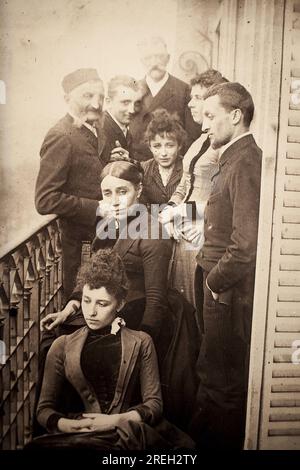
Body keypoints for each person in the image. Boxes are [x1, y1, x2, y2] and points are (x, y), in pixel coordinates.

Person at [40, 157, 199, 431]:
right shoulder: (108, 222)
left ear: (138, 189)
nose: (114, 200)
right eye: (107, 193)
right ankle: (66, 422)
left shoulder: (151, 229)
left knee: (83, 347)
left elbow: (156, 298)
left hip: (141, 312)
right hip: (107, 306)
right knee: (55, 337)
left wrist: (139, 339)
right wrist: (74, 304)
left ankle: (104, 421)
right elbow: (94, 273)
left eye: (122, 192)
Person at [27, 250, 194, 450]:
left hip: (124, 433)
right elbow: (44, 409)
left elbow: (154, 405)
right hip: (77, 435)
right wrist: (68, 425)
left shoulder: (141, 342)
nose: (91, 311)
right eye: (87, 301)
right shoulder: (62, 344)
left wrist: (114, 421)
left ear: (120, 304)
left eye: (102, 303)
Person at [190, 82, 262, 449]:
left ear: (235, 116)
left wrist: (215, 281)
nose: (203, 126)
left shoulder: (246, 162)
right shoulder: (232, 159)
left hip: (226, 292)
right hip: (217, 286)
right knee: (212, 373)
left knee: (221, 384)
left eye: (210, 116)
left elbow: (245, 245)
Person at [35, 68, 107, 301]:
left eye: (101, 97)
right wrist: (97, 207)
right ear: (68, 99)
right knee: (78, 306)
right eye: (88, 96)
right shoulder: (62, 135)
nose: (96, 104)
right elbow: (45, 199)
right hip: (79, 245)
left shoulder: (92, 130)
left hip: (99, 238)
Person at [159, 70, 228, 307]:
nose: (190, 103)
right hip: (183, 226)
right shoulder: (200, 139)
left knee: (194, 299)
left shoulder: (223, 144)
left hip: (201, 230)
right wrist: (169, 211)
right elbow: (186, 183)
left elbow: (223, 195)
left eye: (198, 97)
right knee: (178, 296)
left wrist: (192, 217)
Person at [129, 36, 201, 161]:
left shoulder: (184, 90)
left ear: (168, 59)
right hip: (137, 164)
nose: (154, 63)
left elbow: (192, 136)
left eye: (159, 57)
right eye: (148, 58)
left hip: (172, 165)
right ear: (141, 61)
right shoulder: (133, 90)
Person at [140, 109, 185, 206]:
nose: (163, 153)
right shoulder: (144, 169)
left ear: (179, 145)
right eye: (157, 146)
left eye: (169, 145)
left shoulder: (187, 168)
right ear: (150, 147)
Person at [102, 75, 141, 162]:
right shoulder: (99, 129)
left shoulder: (125, 127)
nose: (132, 110)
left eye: (136, 104)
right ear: (108, 102)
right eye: (125, 102)